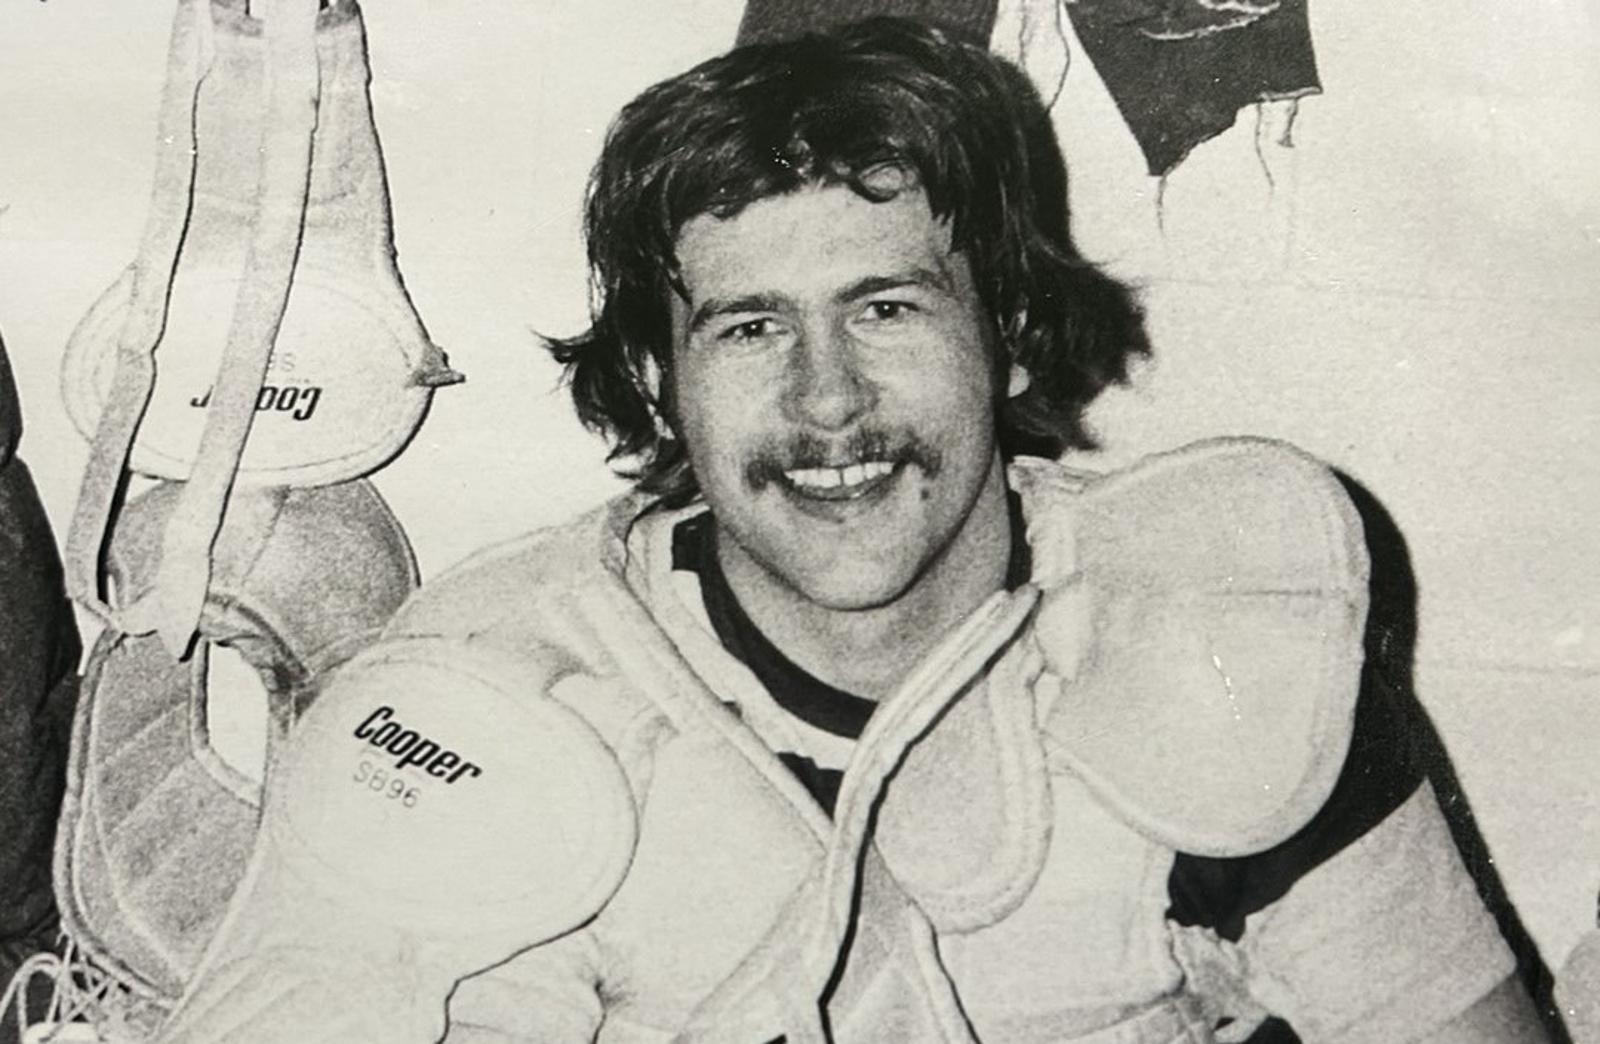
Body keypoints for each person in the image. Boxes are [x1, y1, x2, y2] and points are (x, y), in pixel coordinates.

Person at [152, 18, 1548, 1043]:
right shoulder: (491, 696)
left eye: (887, 307)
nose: (830, 400)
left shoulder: (1218, 631)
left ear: (1004, 333)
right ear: (657, 380)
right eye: (752, 327)